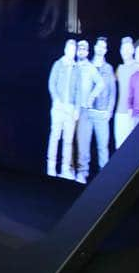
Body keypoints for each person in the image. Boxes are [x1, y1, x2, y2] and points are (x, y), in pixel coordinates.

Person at [75, 37, 114, 184]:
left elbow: (112, 92)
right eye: (99, 46)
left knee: (102, 148)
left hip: (101, 114)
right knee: (83, 146)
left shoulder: (109, 68)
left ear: (105, 50)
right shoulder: (86, 65)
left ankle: (104, 178)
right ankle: (82, 173)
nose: (100, 49)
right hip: (86, 112)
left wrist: (109, 111)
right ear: (95, 47)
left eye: (103, 47)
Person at [46, 38, 78, 179]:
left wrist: (76, 108)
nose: (71, 52)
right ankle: (51, 168)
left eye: (73, 50)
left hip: (70, 108)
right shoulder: (58, 64)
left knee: (68, 140)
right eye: (69, 49)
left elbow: (78, 90)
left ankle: (65, 169)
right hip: (58, 108)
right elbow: (51, 83)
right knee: (55, 137)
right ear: (65, 50)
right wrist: (56, 100)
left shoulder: (76, 68)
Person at [114, 36, 137, 147]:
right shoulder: (119, 69)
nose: (125, 52)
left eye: (128, 49)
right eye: (123, 49)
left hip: (135, 114)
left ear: (133, 50)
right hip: (120, 114)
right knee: (120, 146)